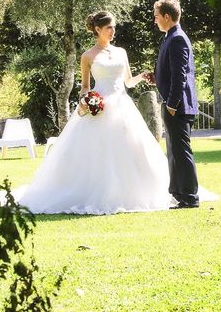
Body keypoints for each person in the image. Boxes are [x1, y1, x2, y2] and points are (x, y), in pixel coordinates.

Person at [13, 11, 173, 214]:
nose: (113, 31)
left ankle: (133, 192)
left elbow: (128, 82)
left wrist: (141, 76)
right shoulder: (87, 56)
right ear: (98, 30)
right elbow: (85, 87)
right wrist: (85, 101)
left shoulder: (121, 52)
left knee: (132, 148)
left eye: (114, 27)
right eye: (109, 28)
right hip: (100, 106)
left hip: (122, 105)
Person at [149, 0, 200, 209]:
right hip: (174, 104)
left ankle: (189, 196)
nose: (155, 20)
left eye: (156, 16)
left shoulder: (177, 38)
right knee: (174, 152)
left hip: (178, 106)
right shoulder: (171, 36)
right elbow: (172, 71)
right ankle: (179, 194)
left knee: (181, 151)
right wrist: (156, 77)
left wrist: (171, 104)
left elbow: (181, 75)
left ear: (167, 17)